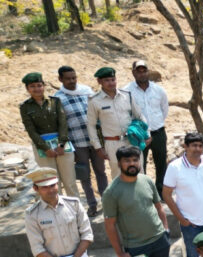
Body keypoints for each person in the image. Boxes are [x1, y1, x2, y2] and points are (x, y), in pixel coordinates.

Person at [55, 66, 107, 217]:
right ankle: (92, 204)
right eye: (68, 79)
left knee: (101, 172)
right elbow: (60, 125)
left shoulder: (87, 92)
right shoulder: (58, 99)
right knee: (84, 175)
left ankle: (107, 202)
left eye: (74, 78)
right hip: (77, 143)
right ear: (60, 79)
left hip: (95, 141)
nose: (72, 81)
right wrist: (68, 147)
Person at [162, 132, 203, 257]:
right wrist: (182, 219)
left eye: (200, 146)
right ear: (185, 146)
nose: (197, 149)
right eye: (194, 145)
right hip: (190, 224)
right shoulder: (175, 167)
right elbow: (166, 194)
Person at [20, 72, 79, 198]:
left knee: (70, 182)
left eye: (39, 85)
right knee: (52, 182)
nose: (37, 89)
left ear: (44, 86)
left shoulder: (55, 101)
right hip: (42, 148)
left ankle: (75, 207)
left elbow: (63, 123)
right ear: (27, 89)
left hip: (62, 145)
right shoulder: (25, 107)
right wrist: (46, 148)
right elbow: (31, 130)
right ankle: (57, 208)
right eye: (32, 86)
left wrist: (61, 144)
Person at [87, 67, 147, 180]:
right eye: (107, 80)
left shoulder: (126, 95)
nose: (111, 83)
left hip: (132, 140)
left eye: (113, 79)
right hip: (112, 143)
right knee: (118, 175)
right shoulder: (94, 101)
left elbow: (139, 116)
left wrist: (146, 134)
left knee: (139, 173)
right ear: (99, 81)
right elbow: (91, 125)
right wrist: (98, 147)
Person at [122, 60, 169, 195]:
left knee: (161, 162)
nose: (142, 74)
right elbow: (126, 113)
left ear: (148, 72)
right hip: (139, 135)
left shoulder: (158, 90)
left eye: (144, 71)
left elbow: (164, 109)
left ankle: (160, 192)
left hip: (158, 132)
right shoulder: (126, 91)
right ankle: (143, 192)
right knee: (139, 163)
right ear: (133, 73)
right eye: (139, 71)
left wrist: (156, 125)